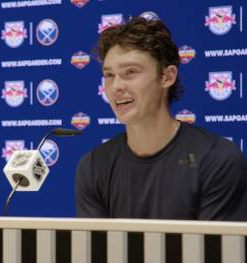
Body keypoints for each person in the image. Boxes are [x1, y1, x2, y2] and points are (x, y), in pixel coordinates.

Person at [75, 17, 247, 220]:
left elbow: (214, 251)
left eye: (130, 72)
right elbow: (93, 249)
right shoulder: (94, 166)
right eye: (109, 75)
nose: (116, 87)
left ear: (167, 77)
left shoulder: (216, 159)